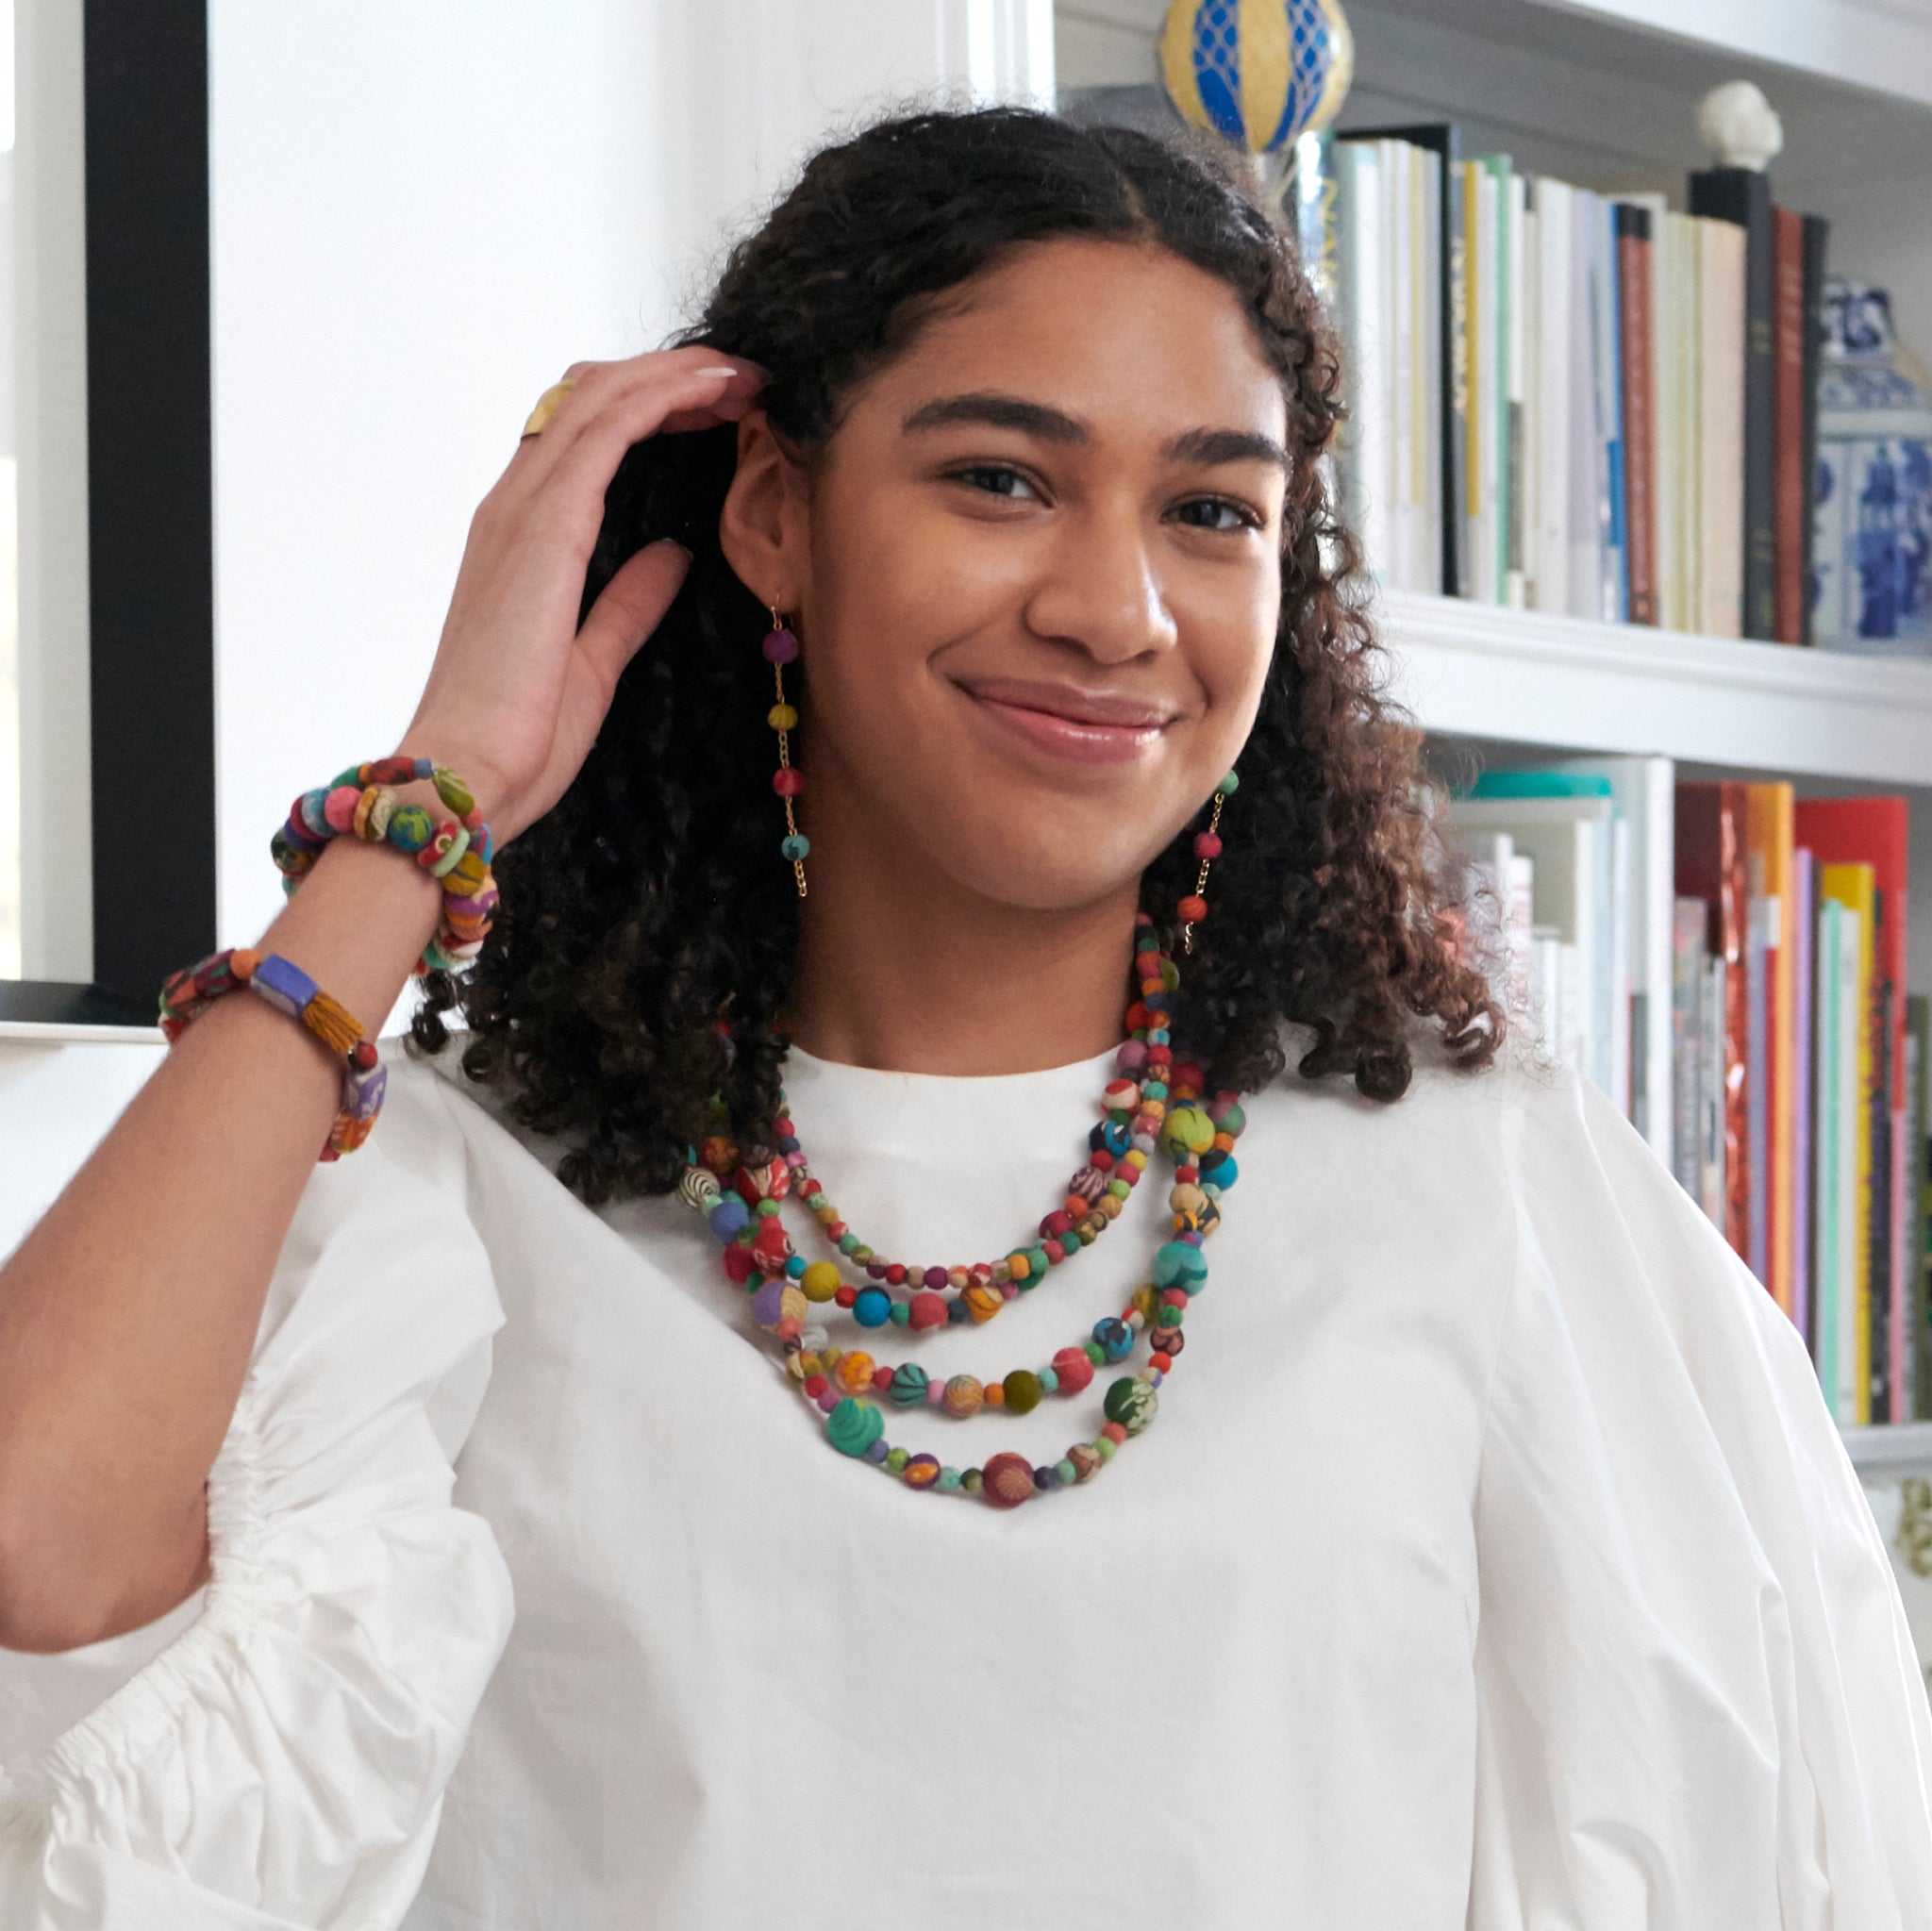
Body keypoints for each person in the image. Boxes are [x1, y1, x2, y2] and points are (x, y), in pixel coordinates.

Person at [0, 104, 1928, 1929]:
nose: (1116, 608)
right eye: (1002, 478)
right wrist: (435, 798)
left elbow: (1771, 1851)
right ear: (775, 510)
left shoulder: (1483, 1185)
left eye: (1212, 511)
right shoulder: (461, 1189)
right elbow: (43, 1569)